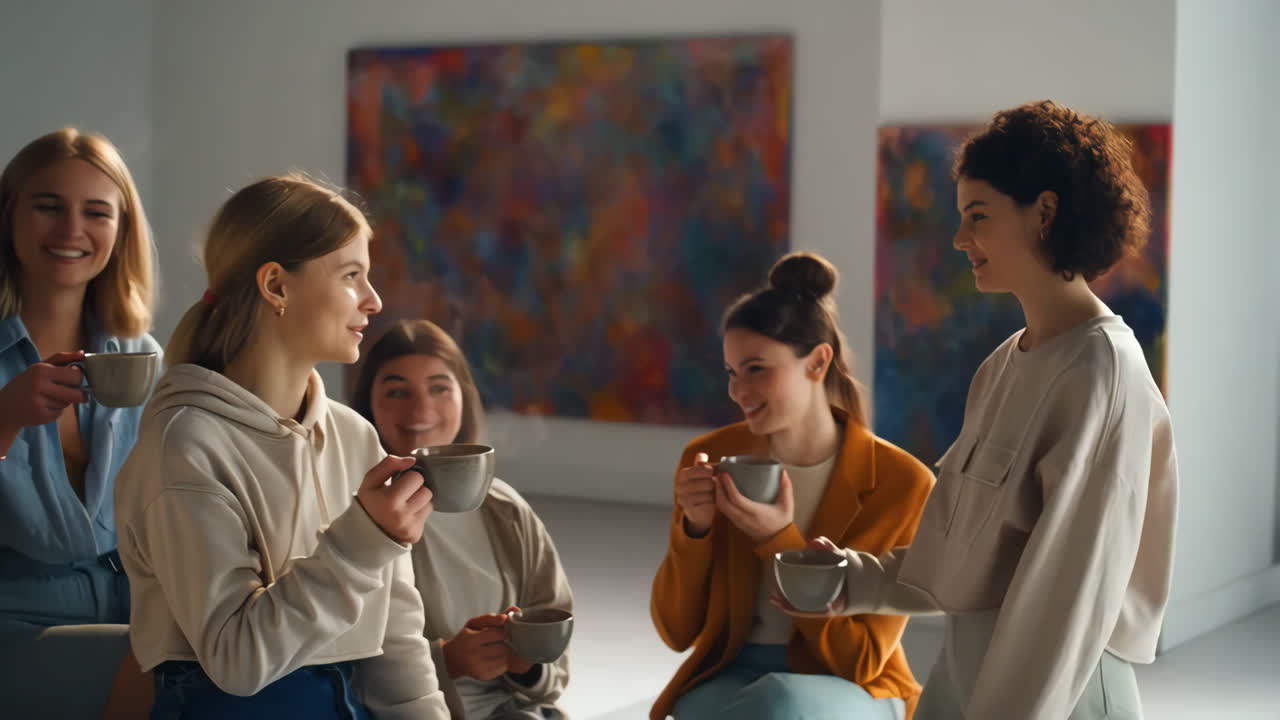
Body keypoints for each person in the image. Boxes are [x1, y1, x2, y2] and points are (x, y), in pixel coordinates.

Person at [777, 101, 1178, 720]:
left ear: (1044, 213)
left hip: (1056, 695)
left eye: (978, 217)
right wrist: (851, 580)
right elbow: (968, 556)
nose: (961, 238)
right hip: (969, 675)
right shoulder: (1001, 366)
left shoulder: (1102, 372)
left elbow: (1070, 600)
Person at [114, 174, 449, 718]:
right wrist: (363, 544)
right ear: (276, 285)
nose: (373, 299)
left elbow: (399, 644)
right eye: (351, 276)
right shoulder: (185, 444)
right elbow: (236, 661)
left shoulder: (355, 436)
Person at [650, 252, 935, 720]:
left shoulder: (901, 483)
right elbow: (677, 631)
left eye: (757, 368)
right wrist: (695, 530)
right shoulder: (710, 458)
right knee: (697, 705)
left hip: (851, 686)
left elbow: (859, 661)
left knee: (778, 704)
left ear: (818, 362)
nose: (738, 391)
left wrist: (776, 540)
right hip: (735, 671)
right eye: (732, 372)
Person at [351, 319, 572, 720]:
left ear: (463, 397)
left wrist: (529, 664)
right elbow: (333, 665)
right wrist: (445, 661)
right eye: (397, 391)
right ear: (367, 405)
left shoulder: (508, 511)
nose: (420, 410)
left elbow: (557, 660)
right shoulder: (350, 514)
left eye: (439, 387)